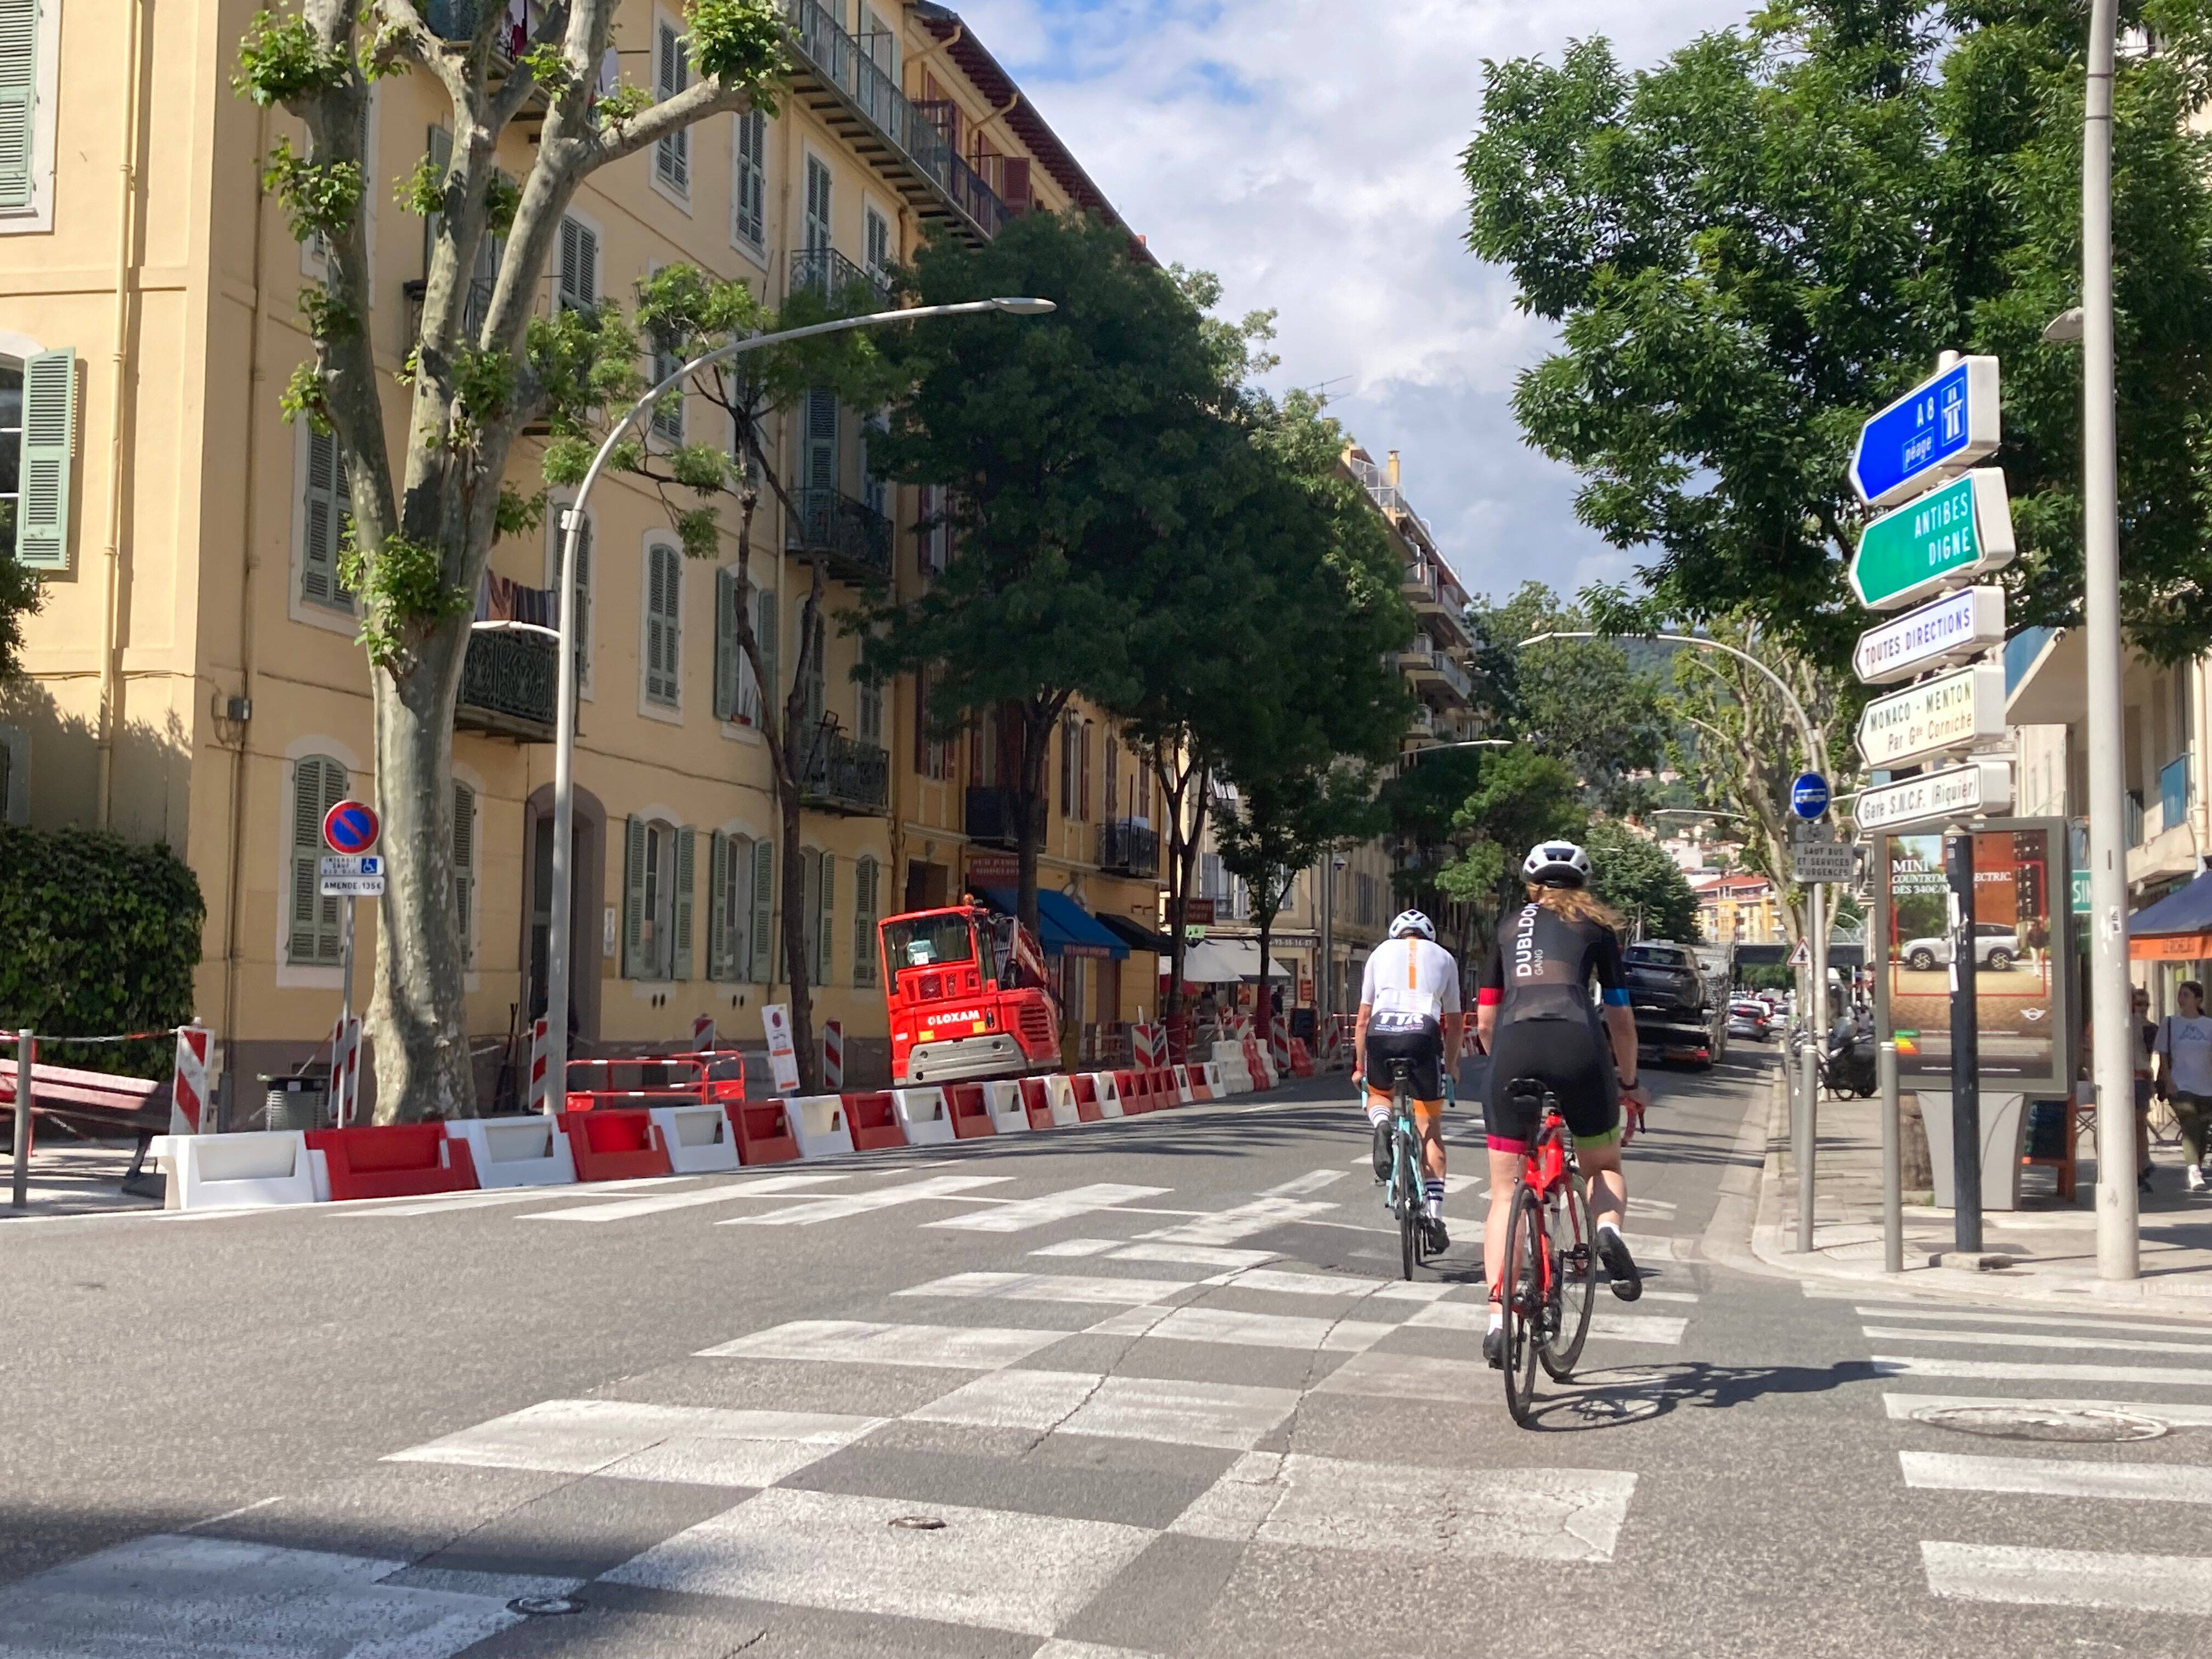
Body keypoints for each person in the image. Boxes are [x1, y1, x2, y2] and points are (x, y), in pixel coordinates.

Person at [1477, 840, 1651, 1367]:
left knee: (1505, 1193)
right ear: (1583, 886)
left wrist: (1504, 1061)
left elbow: (1485, 1021)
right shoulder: (1598, 931)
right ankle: (1606, 1231)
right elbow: (1619, 1017)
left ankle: (1497, 1321)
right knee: (1603, 1166)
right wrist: (1628, 1082)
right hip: (1578, 1043)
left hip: (1514, 1045)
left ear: (1532, 885)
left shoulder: (1507, 928)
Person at [1352, 910, 1464, 1255]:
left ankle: (1383, 1124)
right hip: (1423, 1033)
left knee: (1378, 1093)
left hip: (1382, 1030)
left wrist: (1359, 1067)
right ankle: (1434, 1213)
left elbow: (1363, 1019)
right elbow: (1456, 1021)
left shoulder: (1378, 954)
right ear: (1427, 936)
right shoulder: (1445, 958)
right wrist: (1454, 1065)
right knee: (1430, 1129)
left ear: (1396, 934)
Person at [2154, 979, 2212, 1194]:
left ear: (2198, 1000)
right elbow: (2164, 1055)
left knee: (2203, 1131)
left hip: (2207, 1086)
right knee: (2190, 1125)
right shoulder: (2170, 1023)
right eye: (2180, 994)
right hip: (2181, 1084)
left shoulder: (2209, 1025)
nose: (2181, 999)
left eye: (2186, 995)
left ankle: (2196, 1164)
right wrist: (2168, 1081)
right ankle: (2193, 1170)